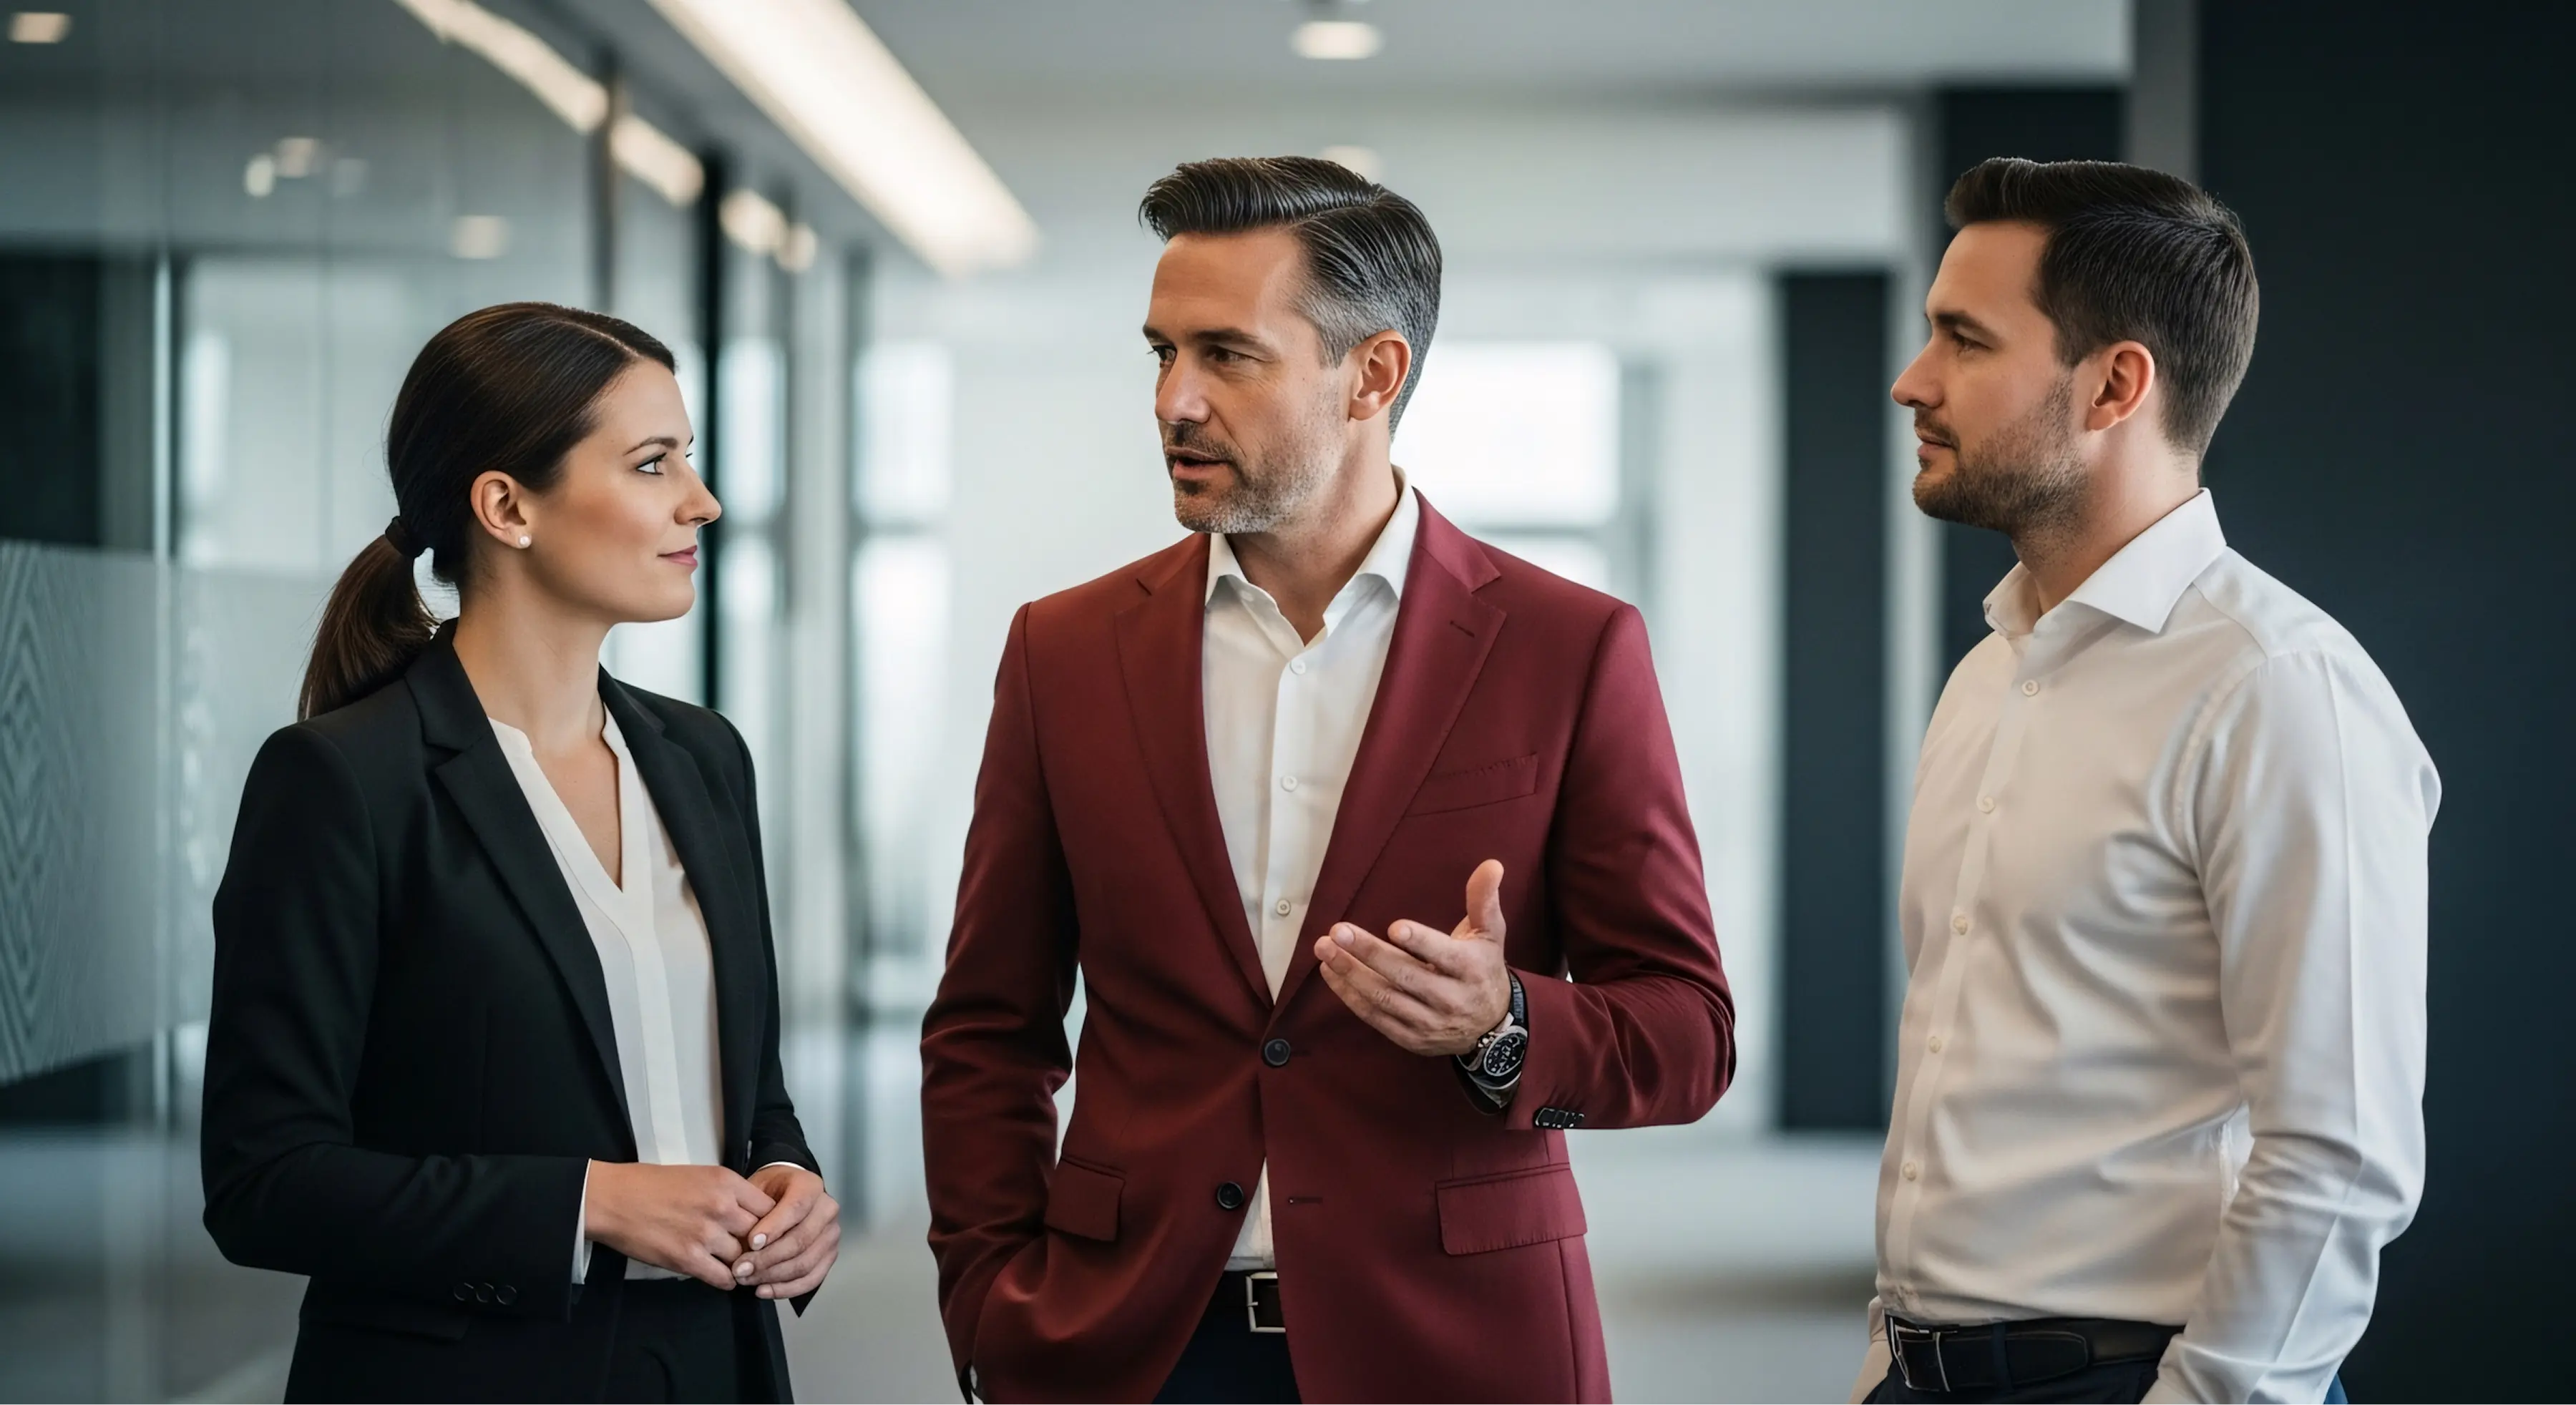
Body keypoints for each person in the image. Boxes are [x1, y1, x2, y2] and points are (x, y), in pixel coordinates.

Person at [919, 156, 1735, 1405]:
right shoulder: (1064, 652)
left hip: (1456, 1345)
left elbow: (1689, 1031)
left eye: (1228, 356)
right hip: (1128, 1345)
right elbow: (988, 1026)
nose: (1173, 401)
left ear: (1374, 374)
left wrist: (1505, 1024)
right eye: (1161, 353)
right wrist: (984, 1299)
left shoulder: (1568, 649)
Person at [1850, 159, 2436, 1405]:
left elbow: (2338, 1156)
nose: (1914, 382)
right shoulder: (1986, 677)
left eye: (1964, 340)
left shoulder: (2279, 688)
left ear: (2117, 384)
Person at [200, 303, 839, 1404]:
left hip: (711, 1367)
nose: (703, 499)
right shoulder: (343, 780)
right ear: (506, 506)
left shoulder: (703, 759)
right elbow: (266, 1180)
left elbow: (746, 1094)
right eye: (652, 462)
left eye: (688, 457)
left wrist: (788, 1178)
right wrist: (587, 1203)